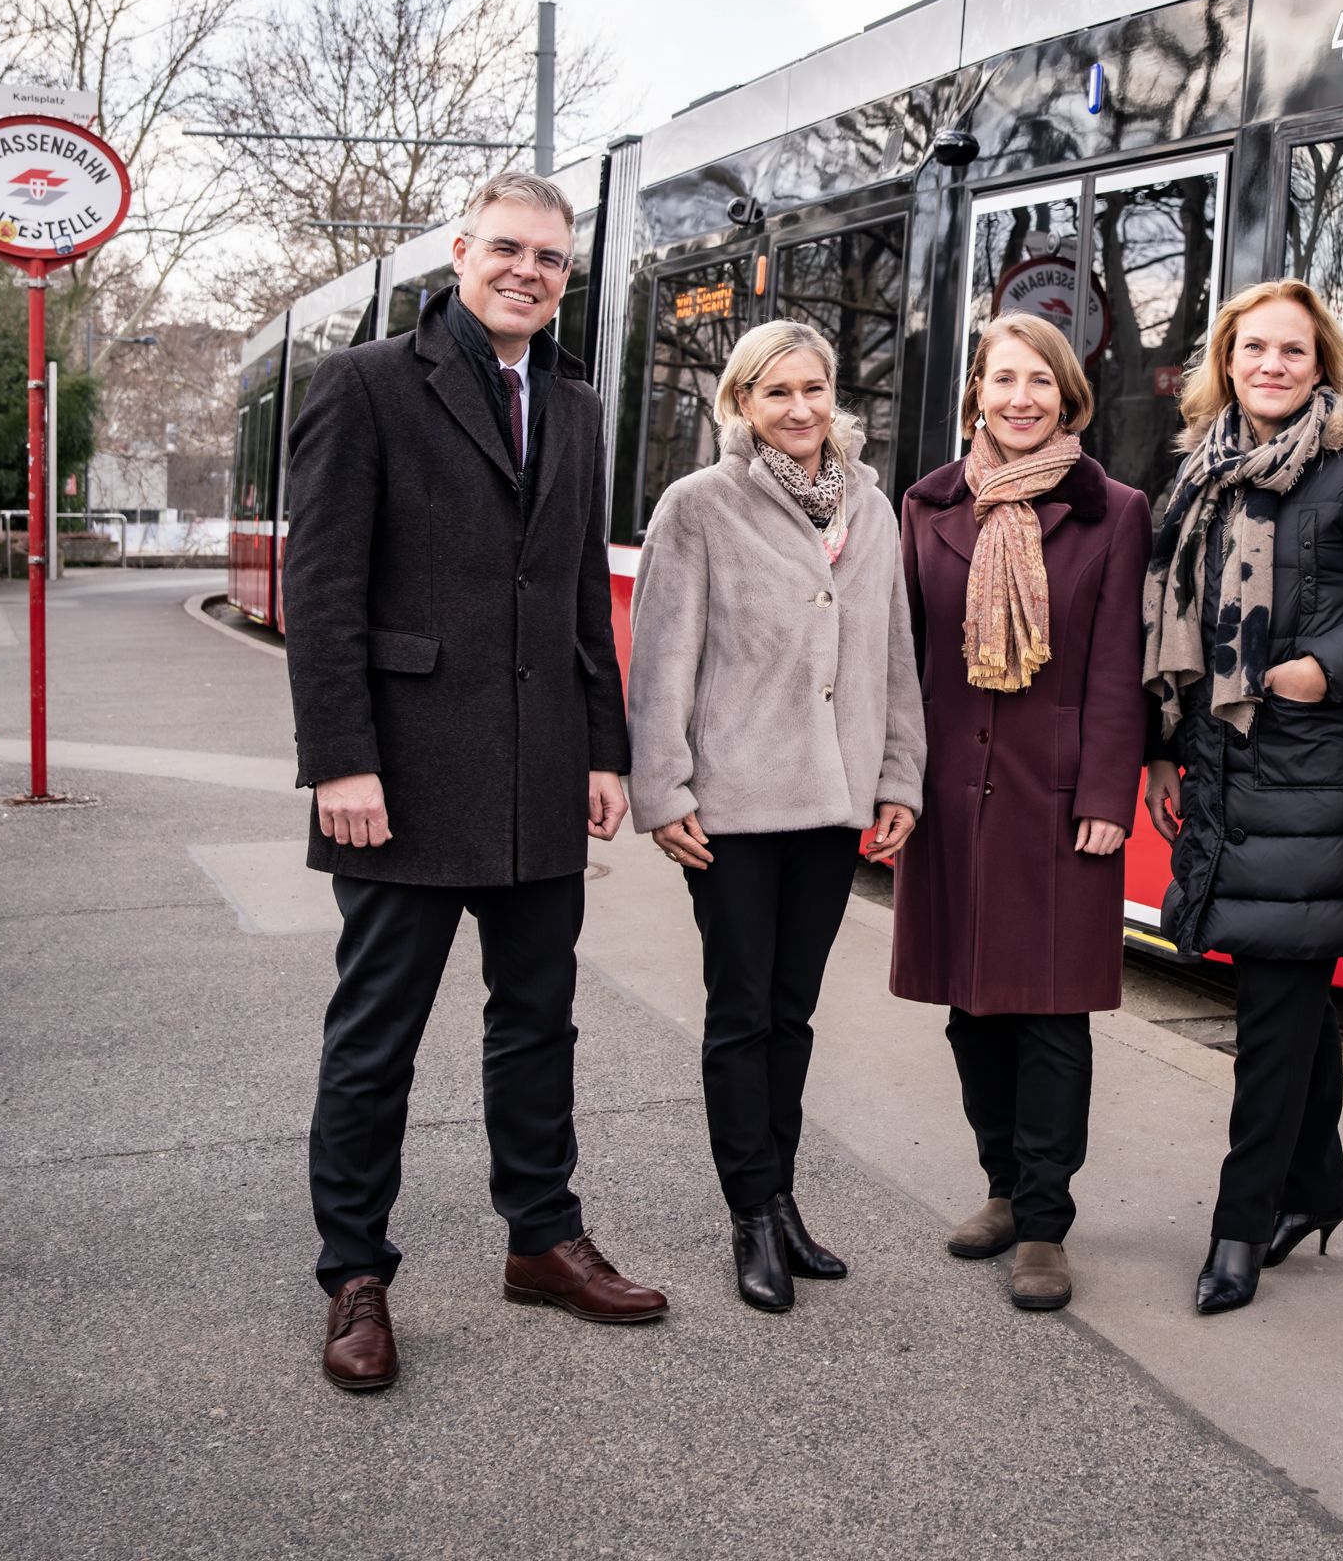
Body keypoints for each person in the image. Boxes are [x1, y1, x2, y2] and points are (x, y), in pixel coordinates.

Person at [285, 169, 662, 1396]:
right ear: (459, 252)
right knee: (376, 1036)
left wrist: (606, 747)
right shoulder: (366, 387)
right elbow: (323, 594)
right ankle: (356, 1272)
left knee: (537, 1021)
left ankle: (542, 1240)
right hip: (396, 775)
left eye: (551, 260)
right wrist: (340, 760)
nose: (528, 272)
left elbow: (568, 607)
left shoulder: (576, 406)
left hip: (540, 771)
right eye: (508, 249)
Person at [1143, 279, 1343, 1317]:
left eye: (1294, 353)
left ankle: (1240, 1222)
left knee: (1274, 1007)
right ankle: (1315, 1187)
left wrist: (1327, 666)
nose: (1272, 367)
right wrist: (1164, 751)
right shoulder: (1200, 477)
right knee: (1291, 995)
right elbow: (1167, 625)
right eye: (1254, 350)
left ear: (1325, 367)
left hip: (1315, 770)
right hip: (1226, 768)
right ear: (1225, 361)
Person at [625, 318, 924, 1313]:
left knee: (792, 1014)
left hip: (833, 808)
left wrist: (898, 779)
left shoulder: (870, 509)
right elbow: (663, 658)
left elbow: (892, 656)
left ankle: (784, 1199)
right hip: (735, 808)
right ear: (741, 406)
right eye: (776, 393)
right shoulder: (699, 506)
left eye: (814, 390)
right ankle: (749, 1213)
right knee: (740, 1010)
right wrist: (662, 791)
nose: (800, 410)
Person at [891, 314, 1151, 1312]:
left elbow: (1119, 668)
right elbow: (905, 656)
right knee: (970, 1012)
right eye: (1005, 379)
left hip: (1057, 796)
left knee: (1049, 1015)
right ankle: (1000, 1183)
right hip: (952, 794)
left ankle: (1044, 1222)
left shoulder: (1113, 510)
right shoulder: (926, 505)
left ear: (1067, 398)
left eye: (1041, 382)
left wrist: (1105, 797)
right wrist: (895, 784)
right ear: (977, 393)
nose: (1022, 398)